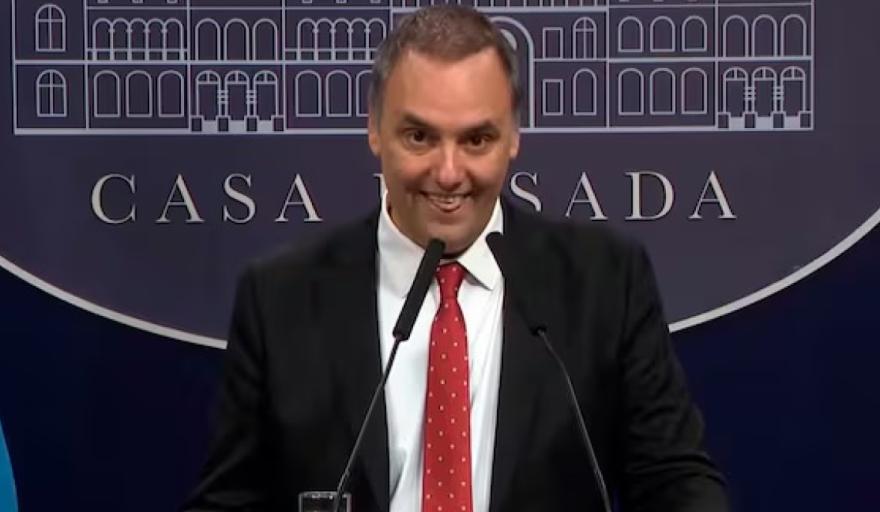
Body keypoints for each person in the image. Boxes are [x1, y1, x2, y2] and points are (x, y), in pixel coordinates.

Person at [183, 5, 728, 511]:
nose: (448, 173)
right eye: (419, 136)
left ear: (513, 137)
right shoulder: (280, 298)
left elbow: (676, 480)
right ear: (374, 130)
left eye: (476, 140)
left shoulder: (604, 280)